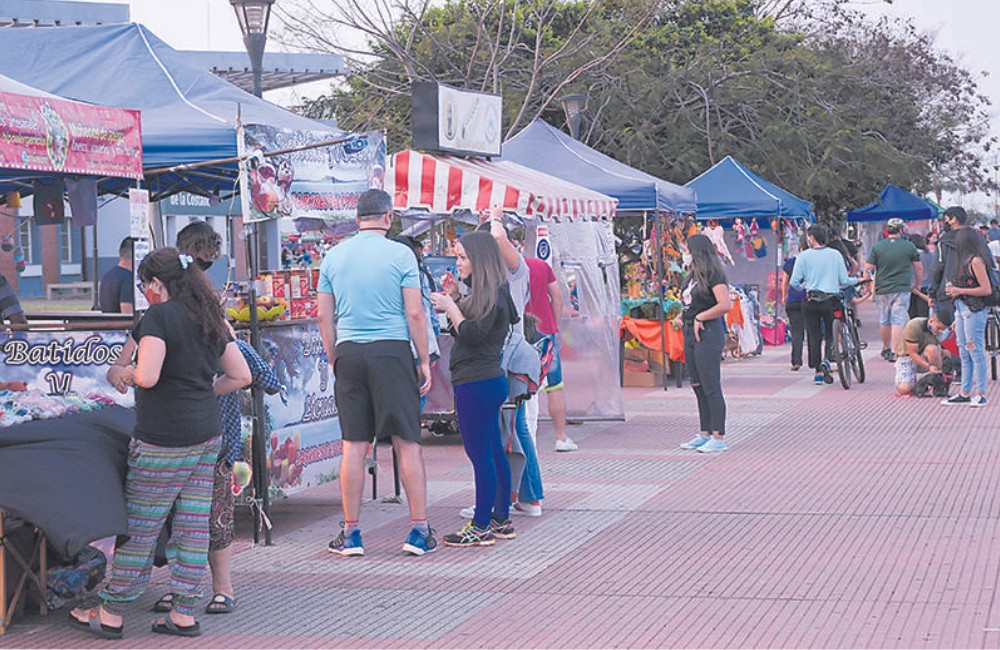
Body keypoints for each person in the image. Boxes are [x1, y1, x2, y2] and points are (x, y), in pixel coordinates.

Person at [70, 248, 251, 640]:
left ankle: (112, 612)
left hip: (162, 440)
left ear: (155, 284)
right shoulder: (209, 316)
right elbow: (240, 375)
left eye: (144, 285)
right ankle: (184, 613)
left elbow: (149, 376)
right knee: (192, 525)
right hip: (206, 437)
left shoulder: (158, 317)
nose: (144, 292)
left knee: (141, 527)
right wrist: (202, 393)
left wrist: (124, 373)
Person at [316, 189, 435, 557]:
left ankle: (351, 533)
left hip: (349, 351)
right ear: (388, 216)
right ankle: (418, 531)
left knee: (354, 442)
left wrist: (335, 356)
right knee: (406, 441)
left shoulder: (332, 256)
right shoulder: (401, 254)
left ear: (357, 218)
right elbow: (415, 313)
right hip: (392, 350)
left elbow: (324, 316)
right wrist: (423, 359)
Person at [150, 337, 281, 616]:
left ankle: (223, 589)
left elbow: (265, 378)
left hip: (215, 443)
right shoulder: (163, 335)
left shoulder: (222, 340)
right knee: (179, 518)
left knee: (216, 517)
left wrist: (218, 381)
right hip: (172, 440)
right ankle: (180, 588)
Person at [431, 230, 519, 546]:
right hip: (485, 380)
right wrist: (455, 298)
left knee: (481, 455)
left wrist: (452, 308)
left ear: (479, 260)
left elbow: (472, 334)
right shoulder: (491, 293)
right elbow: (472, 329)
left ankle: (481, 525)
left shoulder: (493, 295)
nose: (458, 263)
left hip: (477, 381)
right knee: (493, 451)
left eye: (463, 257)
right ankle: (500, 518)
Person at [676, 234, 732, 453]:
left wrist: (701, 317)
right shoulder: (691, 276)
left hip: (708, 333)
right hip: (690, 332)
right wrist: (683, 316)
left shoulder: (714, 274)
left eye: (687, 250)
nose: (684, 254)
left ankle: (719, 436)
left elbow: (724, 304)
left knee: (711, 386)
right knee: (698, 385)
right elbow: (692, 303)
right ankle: (704, 432)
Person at [789, 225, 865, 385]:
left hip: (811, 300)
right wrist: (859, 280)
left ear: (811, 238)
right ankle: (828, 358)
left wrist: (806, 287)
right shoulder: (835, 254)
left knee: (813, 334)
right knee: (832, 331)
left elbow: (794, 282)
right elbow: (844, 281)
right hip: (832, 300)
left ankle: (817, 371)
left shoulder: (803, 257)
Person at [525, 257, 576, 452]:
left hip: (517, 330)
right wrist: (553, 325)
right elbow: (557, 296)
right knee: (554, 384)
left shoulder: (501, 266)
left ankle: (522, 434)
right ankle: (561, 437)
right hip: (544, 330)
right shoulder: (541, 265)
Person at [942, 227, 993, 406]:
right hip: (963, 309)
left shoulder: (975, 261)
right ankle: (965, 392)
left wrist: (959, 290)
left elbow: (986, 289)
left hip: (975, 310)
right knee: (963, 351)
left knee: (975, 350)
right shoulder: (964, 261)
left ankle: (980, 392)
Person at [865, 218, 922, 362]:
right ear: (901, 230)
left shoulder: (877, 247)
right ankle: (896, 350)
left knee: (884, 320)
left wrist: (868, 285)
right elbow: (918, 267)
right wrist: (918, 284)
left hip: (882, 289)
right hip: (902, 288)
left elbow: (868, 269)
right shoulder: (909, 246)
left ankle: (885, 348)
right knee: (898, 320)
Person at [930, 206, 994, 312]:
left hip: (948, 291)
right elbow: (989, 261)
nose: (945, 222)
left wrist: (932, 292)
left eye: (946, 219)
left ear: (954, 219)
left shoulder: (944, 241)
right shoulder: (977, 237)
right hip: (975, 295)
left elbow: (937, 268)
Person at [894, 309, 953, 396]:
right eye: (939, 328)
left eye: (943, 329)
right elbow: (912, 353)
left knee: (932, 349)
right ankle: (921, 383)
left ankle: (938, 383)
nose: (940, 331)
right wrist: (929, 367)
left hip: (928, 354)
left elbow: (946, 352)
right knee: (904, 389)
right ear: (931, 321)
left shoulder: (943, 332)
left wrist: (946, 369)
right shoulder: (914, 325)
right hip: (907, 356)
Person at [781, 235, 808, 371]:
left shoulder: (792, 262)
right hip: (810, 300)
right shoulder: (813, 262)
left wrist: (784, 296)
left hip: (793, 300)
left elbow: (785, 282)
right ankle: (816, 362)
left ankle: (796, 361)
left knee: (796, 332)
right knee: (813, 331)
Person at [99, 237, 136, 314]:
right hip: (121, 324)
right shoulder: (128, 278)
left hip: (108, 323)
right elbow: (127, 313)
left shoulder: (107, 276)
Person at [908, 234, 933, 319]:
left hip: (913, 288)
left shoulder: (911, 256)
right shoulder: (930, 255)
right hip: (927, 288)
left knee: (913, 317)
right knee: (924, 316)